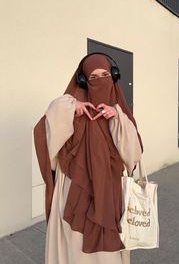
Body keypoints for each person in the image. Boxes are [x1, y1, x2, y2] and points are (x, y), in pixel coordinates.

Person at [33, 53, 143, 264]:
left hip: (109, 191)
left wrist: (117, 117)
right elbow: (43, 133)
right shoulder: (70, 106)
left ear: (113, 76)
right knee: (75, 247)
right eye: (93, 77)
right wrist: (69, 109)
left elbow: (133, 155)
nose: (100, 80)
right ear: (83, 81)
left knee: (108, 252)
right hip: (75, 190)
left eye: (105, 74)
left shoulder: (118, 112)